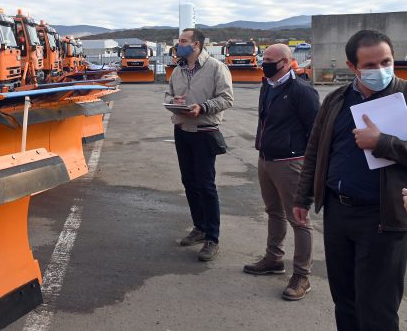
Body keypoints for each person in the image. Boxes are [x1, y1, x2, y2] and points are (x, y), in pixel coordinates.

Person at [294, 29, 407, 330]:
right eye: (370, 65)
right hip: (338, 213)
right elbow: (315, 150)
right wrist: (303, 197)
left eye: (386, 61)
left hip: (382, 217)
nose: (380, 70)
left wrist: (382, 142)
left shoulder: (404, 98)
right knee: (345, 300)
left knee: (378, 308)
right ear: (352, 67)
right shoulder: (335, 100)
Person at [243, 43, 319, 301]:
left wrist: (308, 164)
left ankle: (302, 275)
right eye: (263, 58)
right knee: (273, 212)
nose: (264, 63)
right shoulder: (268, 85)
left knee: (299, 219)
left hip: (290, 162)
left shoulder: (301, 91)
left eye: (270, 60)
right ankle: (274, 259)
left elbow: (315, 131)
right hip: (266, 159)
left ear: (286, 62)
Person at [165, 28, 234, 261]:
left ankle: (212, 239)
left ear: (196, 45)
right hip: (182, 130)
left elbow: (227, 98)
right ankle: (199, 227)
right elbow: (168, 94)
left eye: (183, 41)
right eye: (179, 41)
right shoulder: (178, 69)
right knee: (189, 182)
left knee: (206, 185)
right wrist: (173, 103)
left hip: (204, 132)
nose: (179, 44)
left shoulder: (216, 67)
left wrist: (202, 107)